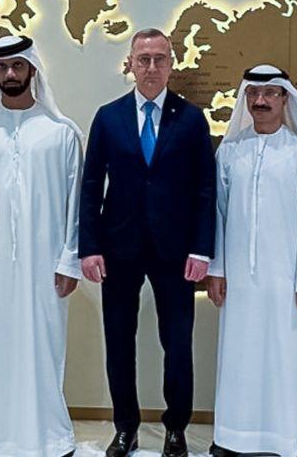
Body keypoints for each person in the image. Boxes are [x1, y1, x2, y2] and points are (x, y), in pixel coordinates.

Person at [79, 28, 216, 457]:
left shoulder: (191, 119)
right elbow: (90, 186)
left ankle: (176, 429)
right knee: (119, 341)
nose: (152, 67)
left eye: (160, 59)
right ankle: (126, 428)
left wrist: (202, 249)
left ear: (171, 65)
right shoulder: (108, 117)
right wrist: (89, 247)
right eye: (144, 59)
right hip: (118, 247)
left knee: (177, 343)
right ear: (131, 64)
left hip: (176, 252)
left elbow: (206, 189)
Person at [0, 35, 82, 457]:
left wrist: (70, 261)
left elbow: (76, 205)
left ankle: (45, 436)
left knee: (42, 348)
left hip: (46, 266)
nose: (10, 74)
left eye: (17, 65)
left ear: (32, 69)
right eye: (2, 67)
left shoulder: (61, 132)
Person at [206, 64, 297, 457]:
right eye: (253, 94)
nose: (260, 101)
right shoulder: (230, 151)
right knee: (238, 357)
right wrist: (217, 270)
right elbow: (218, 214)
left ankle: (282, 440)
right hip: (239, 280)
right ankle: (231, 438)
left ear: (284, 98)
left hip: (286, 282)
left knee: (283, 357)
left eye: (269, 93)